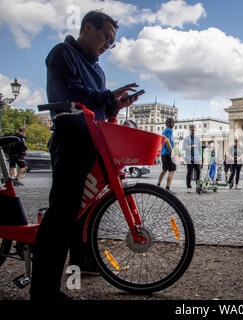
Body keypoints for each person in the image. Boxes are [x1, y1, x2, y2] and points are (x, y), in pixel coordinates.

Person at [30, 10, 139, 301]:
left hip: (92, 142)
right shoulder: (62, 53)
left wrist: (117, 104)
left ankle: (84, 262)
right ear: (87, 27)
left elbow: (100, 108)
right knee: (61, 216)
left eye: (112, 42)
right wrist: (107, 97)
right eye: (106, 37)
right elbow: (69, 92)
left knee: (84, 210)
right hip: (70, 141)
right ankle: (44, 291)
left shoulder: (98, 69)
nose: (108, 45)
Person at [157, 118, 176, 194]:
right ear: (167, 123)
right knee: (171, 171)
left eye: (173, 123)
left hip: (163, 153)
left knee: (164, 170)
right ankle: (167, 189)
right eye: (172, 123)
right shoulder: (169, 130)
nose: (173, 124)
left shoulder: (164, 131)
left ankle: (158, 185)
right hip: (168, 153)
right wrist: (172, 151)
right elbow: (167, 140)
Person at [183, 124, 201, 192]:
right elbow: (184, 148)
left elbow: (199, 148)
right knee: (189, 173)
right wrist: (192, 146)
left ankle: (198, 186)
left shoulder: (198, 138)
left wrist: (200, 157)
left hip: (197, 159)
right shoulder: (186, 138)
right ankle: (188, 187)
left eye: (194, 129)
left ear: (196, 130)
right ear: (190, 129)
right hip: (189, 158)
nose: (193, 130)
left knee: (198, 173)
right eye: (192, 129)